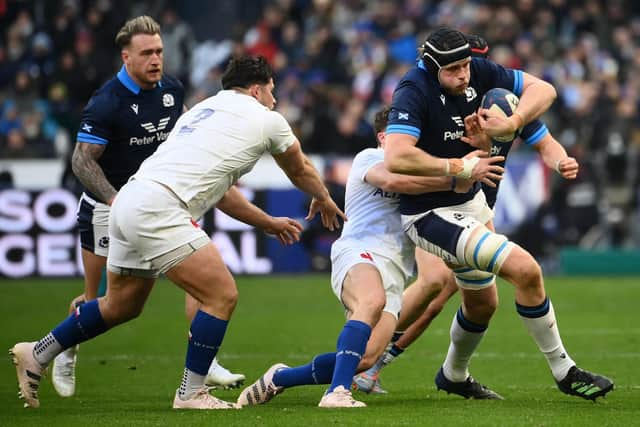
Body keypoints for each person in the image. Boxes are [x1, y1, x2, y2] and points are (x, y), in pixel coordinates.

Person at [10, 54, 345, 410]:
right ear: (258, 90)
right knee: (221, 295)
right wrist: (323, 197)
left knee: (120, 304)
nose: (275, 100)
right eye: (272, 92)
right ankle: (191, 392)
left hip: (127, 201)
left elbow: (224, 194)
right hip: (159, 207)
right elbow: (299, 167)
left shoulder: (201, 111)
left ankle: (39, 351)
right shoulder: (268, 119)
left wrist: (267, 222)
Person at [380, 27, 613, 401]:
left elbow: (545, 93)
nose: (465, 75)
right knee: (523, 270)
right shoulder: (413, 89)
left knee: (482, 304)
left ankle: (452, 375)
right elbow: (396, 157)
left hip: (472, 206)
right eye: (454, 69)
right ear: (431, 65)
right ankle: (564, 370)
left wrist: (517, 126)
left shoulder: (491, 90)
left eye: (468, 65)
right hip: (431, 213)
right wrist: (458, 166)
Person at [235, 106, 504, 408]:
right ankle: (337, 393)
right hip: (359, 252)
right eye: (403, 135)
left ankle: (279, 378)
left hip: (396, 271)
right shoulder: (369, 157)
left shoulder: (424, 169)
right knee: (371, 301)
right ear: (383, 136)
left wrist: (474, 155)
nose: (410, 141)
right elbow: (393, 183)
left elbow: (459, 193)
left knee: (365, 359)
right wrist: (455, 177)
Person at [50, 16, 244, 398]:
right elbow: (81, 161)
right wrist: (114, 199)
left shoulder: (171, 89)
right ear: (126, 57)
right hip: (108, 209)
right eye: (147, 53)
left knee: (205, 276)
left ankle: (206, 361)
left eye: (159, 51)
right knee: (100, 302)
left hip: (159, 203)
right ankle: (63, 349)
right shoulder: (107, 102)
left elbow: (187, 134)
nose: (156, 59)